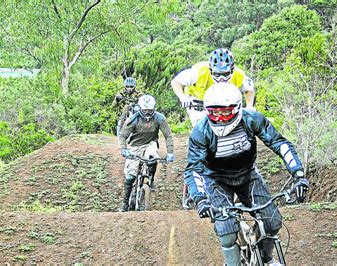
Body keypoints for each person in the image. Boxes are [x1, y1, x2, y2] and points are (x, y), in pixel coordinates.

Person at [184, 83, 309, 265]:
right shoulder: (201, 131)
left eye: (225, 112)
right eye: (214, 113)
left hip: (247, 175)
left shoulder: (251, 120)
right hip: (216, 180)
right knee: (226, 231)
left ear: (237, 108)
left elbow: (280, 144)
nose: (219, 118)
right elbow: (194, 168)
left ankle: (266, 259)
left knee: (272, 222)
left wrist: (299, 175)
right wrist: (201, 200)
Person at [171, 48, 256, 127]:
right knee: (201, 127)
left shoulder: (239, 75)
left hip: (224, 103)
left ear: (232, 70)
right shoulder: (199, 71)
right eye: (217, 74)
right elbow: (176, 82)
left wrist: (249, 107)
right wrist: (182, 97)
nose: (221, 79)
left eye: (225, 74)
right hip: (198, 103)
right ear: (211, 70)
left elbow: (249, 89)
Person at [118, 94, 175, 212]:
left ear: (154, 108)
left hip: (150, 143)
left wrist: (170, 152)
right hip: (135, 146)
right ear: (140, 108)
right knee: (130, 176)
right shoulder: (133, 119)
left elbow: (168, 135)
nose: (148, 113)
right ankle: (124, 203)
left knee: (153, 157)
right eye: (145, 110)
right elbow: (123, 135)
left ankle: (151, 179)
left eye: (150, 110)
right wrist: (124, 149)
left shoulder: (160, 118)